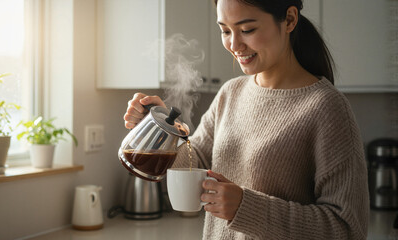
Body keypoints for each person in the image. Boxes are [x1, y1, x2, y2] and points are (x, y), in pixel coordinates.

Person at [123, 0, 369, 239]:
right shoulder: (231, 93)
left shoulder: (326, 108)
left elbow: (346, 228)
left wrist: (246, 207)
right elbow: (192, 161)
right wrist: (158, 131)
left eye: (247, 30)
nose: (234, 44)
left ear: (290, 20)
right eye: (225, 30)